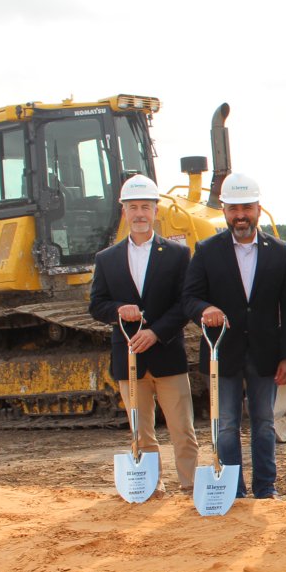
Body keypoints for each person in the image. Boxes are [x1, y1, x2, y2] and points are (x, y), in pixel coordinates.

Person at [182, 173, 286, 499]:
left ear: (259, 209)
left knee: (264, 424)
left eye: (246, 207)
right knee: (226, 425)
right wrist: (204, 309)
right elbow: (189, 297)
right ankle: (232, 491)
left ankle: (265, 488)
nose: (240, 215)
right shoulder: (206, 251)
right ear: (224, 211)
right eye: (233, 208)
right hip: (223, 353)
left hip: (266, 354)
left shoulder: (279, 251)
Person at [89, 174, 198, 493]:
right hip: (129, 358)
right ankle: (150, 486)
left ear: (155, 211)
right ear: (124, 212)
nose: (139, 213)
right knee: (140, 431)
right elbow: (97, 305)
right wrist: (118, 309)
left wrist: (156, 333)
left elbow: (184, 302)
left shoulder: (177, 255)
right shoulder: (106, 259)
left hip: (167, 355)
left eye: (145, 207)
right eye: (133, 207)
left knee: (182, 429)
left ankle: (190, 487)